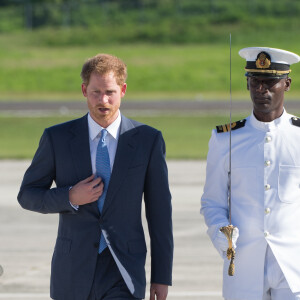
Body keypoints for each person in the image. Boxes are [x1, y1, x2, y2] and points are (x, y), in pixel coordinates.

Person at [18, 53, 173, 300]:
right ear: (83, 90)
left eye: (110, 92)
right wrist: (69, 196)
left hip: (123, 271)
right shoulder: (57, 138)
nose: (103, 100)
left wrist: (161, 276)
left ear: (123, 90)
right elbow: (27, 195)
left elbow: (160, 213)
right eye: (96, 92)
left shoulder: (147, 140)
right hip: (72, 270)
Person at [201, 47, 300, 300]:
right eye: (255, 82)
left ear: (286, 84)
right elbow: (212, 201)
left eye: (270, 83)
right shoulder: (226, 139)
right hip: (243, 264)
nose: (261, 90)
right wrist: (221, 234)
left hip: (293, 267)